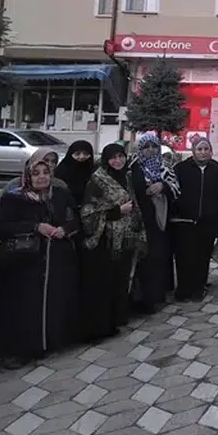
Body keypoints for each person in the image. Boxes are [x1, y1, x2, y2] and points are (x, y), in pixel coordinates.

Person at [0, 149, 79, 364]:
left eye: (46, 172)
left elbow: (75, 219)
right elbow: (1, 228)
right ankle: (16, 351)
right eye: (36, 173)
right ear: (27, 175)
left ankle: (46, 343)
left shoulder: (60, 194)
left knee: (50, 304)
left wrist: (65, 229)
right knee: (21, 307)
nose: (42, 177)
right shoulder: (14, 197)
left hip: (54, 261)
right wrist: (36, 227)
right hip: (23, 262)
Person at [78, 143, 143, 340]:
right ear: (106, 160)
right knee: (106, 282)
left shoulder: (127, 176)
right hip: (105, 241)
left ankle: (118, 317)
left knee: (122, 279)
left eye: (121, 156)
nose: (118, 161)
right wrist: (117, 212)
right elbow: (88, 213)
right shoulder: (97, 180)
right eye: (113, 157)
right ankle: (104, 323)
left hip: (126, 238)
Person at [172, 137, 218, 301]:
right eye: (199, 149)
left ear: (211, 151)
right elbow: (174, 193)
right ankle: (183, 289)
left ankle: (199, 288)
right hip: (185, 222)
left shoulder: (216, 170)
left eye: (206, 149)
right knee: (184, 256)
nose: (203, 152)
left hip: (208, 222)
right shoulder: (181, 169)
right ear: (193, 151)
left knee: (202, 257)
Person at [129, 132, 179, 313]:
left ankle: (156, 296)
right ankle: (139, 299)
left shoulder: (165, 167)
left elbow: (176, 189)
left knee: (157, 257)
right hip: (138, 219)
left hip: (159, 221)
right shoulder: (133, 167)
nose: (150, 150)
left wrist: (162, 186)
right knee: (140, 259)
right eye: (146, 147)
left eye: (154, 147)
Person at [55, 141, 96, 209]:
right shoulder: (61, 171)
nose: (82, 157)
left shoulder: (93, 170)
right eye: (77, 154)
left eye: (85, 154)